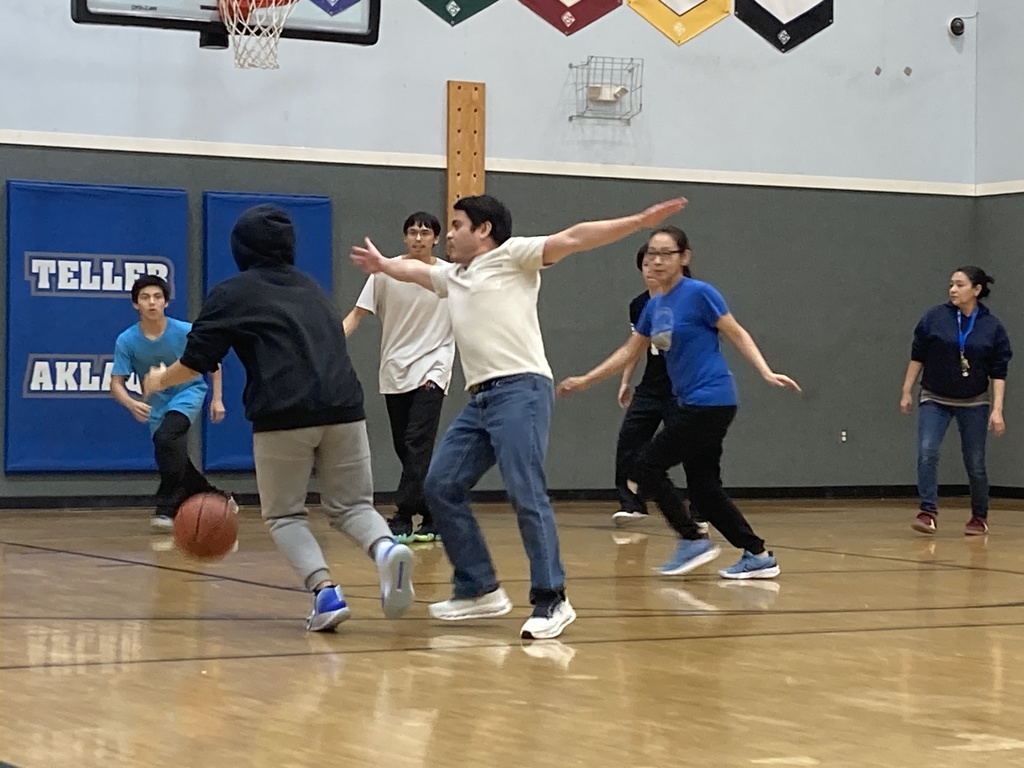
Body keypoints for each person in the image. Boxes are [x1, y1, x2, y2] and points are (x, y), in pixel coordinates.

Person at [351, 194, 688, 640]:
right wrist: (382, 265)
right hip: (481, 399)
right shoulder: (453, 276)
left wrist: (639, 221)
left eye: (456, 225)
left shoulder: (514, 256)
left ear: (484, 229)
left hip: (522, 390)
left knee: (525, 490)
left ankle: (553, 598)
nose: (447, 234)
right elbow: (414, 270)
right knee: (440, 485)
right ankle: (479, 589)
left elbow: (575, 237)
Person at [142, 204, 415, 632]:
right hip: (345, 408)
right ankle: (385, 550)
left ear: (240, 248)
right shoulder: (312, 288)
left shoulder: (232, 293)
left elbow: (197, 361)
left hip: (284, 414)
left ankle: (326, 593)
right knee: (352, 506)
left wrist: (160, 379)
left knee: (285, 515)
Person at [558, 226, 799, 580]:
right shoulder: (653, 306)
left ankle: (691, 539)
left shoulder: (700, 294)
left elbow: (737, 333)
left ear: (684, 258)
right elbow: (629, 351)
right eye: (651, 253)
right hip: (691, 402)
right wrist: (586, 380)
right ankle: (758, 554)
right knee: (704, 487)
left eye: (665, 253)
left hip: (712, 400)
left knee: (645, 467)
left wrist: (765, 371)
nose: (656, 260)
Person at [343, 212, 455, 544]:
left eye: (425, 233)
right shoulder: (383, 272)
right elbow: (356, 315)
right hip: (394, 370)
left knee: (417, 444)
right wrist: (329, 342)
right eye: (412, 232)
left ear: (436, 238)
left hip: (433, 367)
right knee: (405, 448)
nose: (418, 238)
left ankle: (403, 514)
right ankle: (434, 511)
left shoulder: (449, 275)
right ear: (405, 237)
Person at [111, 275, 234, 531]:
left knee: (168, 438)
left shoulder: (185, 331)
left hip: (188, 392)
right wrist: (131, 403)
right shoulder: (126, 340)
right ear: (136, 304)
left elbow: (213, 363)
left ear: (166, 302)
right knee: (170, 452)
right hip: (155, 401)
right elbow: (116, 382)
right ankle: (214, 496)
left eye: (157, 297)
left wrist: (218, 398)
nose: (152, 302)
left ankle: (166, 505)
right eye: (145, 298)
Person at [900, 266, 1012, 536]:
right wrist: (906, 390)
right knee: (927, 451)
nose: (953, 289)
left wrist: (997, 410)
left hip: (974, 401)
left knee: (974, 462)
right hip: (934, 397)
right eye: (951, 284)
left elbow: (998, 372)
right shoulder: (935, 318)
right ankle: (927, 512)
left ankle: (979, 516)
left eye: (960, 285)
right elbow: (918, 356)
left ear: (976, 290)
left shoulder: (991, 326)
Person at [613, 245, 706, 534]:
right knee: (629, 440)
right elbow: (634, 348)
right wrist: (625, 381)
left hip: (683, 387)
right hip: (651, 387)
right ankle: (632, 503)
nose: (651, 269)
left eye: (658, 262)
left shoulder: (690, 299)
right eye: (645, 265)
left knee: (693, 449)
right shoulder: (639, 305)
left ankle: (700, 510)